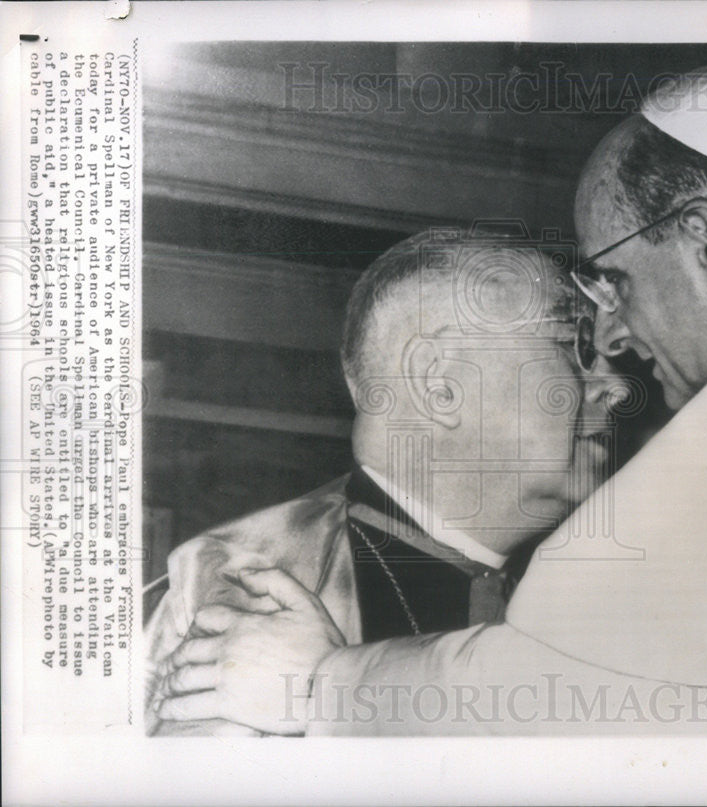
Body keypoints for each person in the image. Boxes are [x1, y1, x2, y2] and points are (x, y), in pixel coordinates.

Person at [155, 61, 707, 734]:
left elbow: (565, 700)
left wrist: (321, 684)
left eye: (613, 279)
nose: (616, 347)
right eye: (573, 332)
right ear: (438, 382)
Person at [147, 228, 627, 735]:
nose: (616, 387)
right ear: (438, 385)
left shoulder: (589, 607)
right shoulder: (239, 582)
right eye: (576, 349)